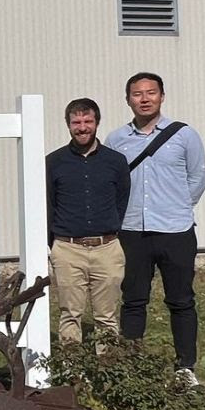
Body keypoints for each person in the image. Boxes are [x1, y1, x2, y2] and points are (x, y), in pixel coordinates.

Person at [106, 73, 205, 385]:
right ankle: (132, 365)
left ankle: (185, 366)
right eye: (137, 94)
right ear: (128, 100)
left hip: (175, 231)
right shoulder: (116, 139)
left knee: (181, 300)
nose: (145, 98)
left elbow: (198, 178)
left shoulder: (184, 136)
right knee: (134, 299)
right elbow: (112, 183)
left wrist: (177, 207)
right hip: (132, 231)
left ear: (162, 96)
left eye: (151, 92)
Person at [46, 98, 131, 344]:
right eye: (76, 122)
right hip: (68, 248)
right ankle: (73, 373)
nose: (82, 127)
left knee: (107, 316)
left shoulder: (115, 162)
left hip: (107, 248)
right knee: (70, 314)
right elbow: (49, 204)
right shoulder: (53, 162)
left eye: (87, 121)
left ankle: (106, 372)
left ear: (97, 123)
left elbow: (121, 202)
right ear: (68, 125)